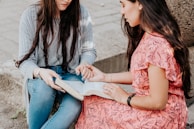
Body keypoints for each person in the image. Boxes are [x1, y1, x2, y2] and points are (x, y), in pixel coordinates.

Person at [75, 0, 191, 128]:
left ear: (140, 3)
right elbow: (143, 75)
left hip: (162, 117)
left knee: (95, 106)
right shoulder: (150, 33)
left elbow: (158, 102)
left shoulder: (157, 46)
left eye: (123, 5)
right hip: (156, 108)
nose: (122, 11)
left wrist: (125, 98)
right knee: (92, 100)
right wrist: (105, 77)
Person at [15, 0, 96, 129]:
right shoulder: (30, 15)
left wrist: (84, 63)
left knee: (74, 105)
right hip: (42, 74)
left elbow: (89, 50)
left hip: (71, 75)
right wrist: (40, 72)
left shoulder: (82, 13)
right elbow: (24, 60)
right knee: (43, 92)